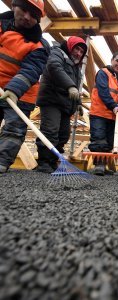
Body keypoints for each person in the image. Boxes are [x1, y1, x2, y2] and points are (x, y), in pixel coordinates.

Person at [0, 0, 49, 174]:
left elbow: (31, 70)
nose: (27, 17)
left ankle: (2, 161)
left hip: (21, 93)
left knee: (14, 129)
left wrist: (13, 90)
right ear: (14, 6)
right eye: (24, 10)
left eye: (34, 16)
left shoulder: (39, 46)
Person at [35, 36, 87, 173]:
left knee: (64, 134)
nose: (79, 54)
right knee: (50, 130)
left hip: (65, 104)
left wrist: (79, 103)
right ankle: (44, 162)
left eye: (82, 52)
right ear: (70, 46)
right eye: (77, 49)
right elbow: (54, 67)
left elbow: (76, 86)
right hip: (51, 99)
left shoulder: (76, 68)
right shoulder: (57, 53)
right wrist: (70, 86)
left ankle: (53, 161)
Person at [88, 52, 118, 176]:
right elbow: (103, 92)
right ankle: (99, 165)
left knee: (109, 142)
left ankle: (103, 166)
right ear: (112, 60)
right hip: (99, 113)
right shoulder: (103, 73)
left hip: (111, 115)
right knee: (99, 139)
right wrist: (113, 105)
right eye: (117, 61)